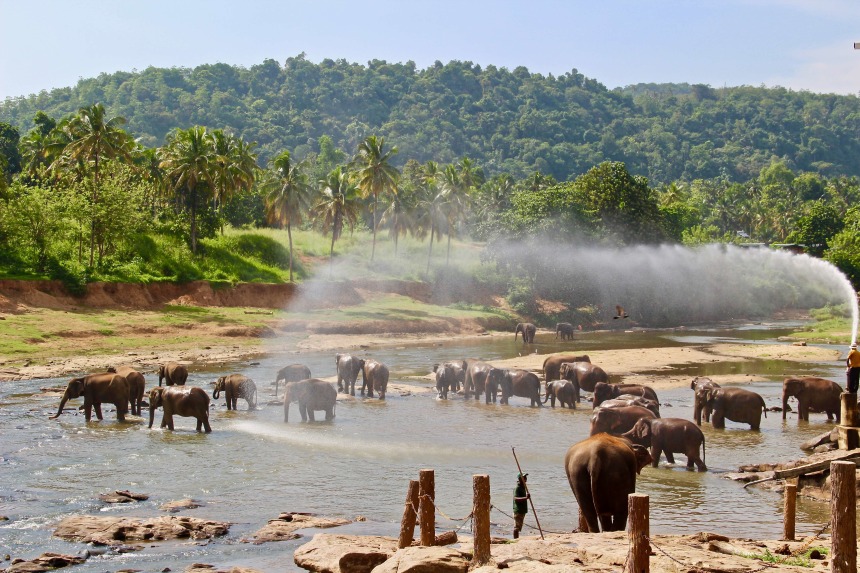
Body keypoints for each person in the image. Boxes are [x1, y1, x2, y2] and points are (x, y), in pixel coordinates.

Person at [512, 473, 529, 539]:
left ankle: (516, 539)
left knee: (519, 527)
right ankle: (515, 540)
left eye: (525, 477)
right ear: (520, 479)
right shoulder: (518, 488)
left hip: (522, 510)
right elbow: (516, 498)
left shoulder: (523, 487)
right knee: (516, 528)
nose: (526, 478)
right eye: (524, 477)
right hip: (518, 511)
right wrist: (526, 498)